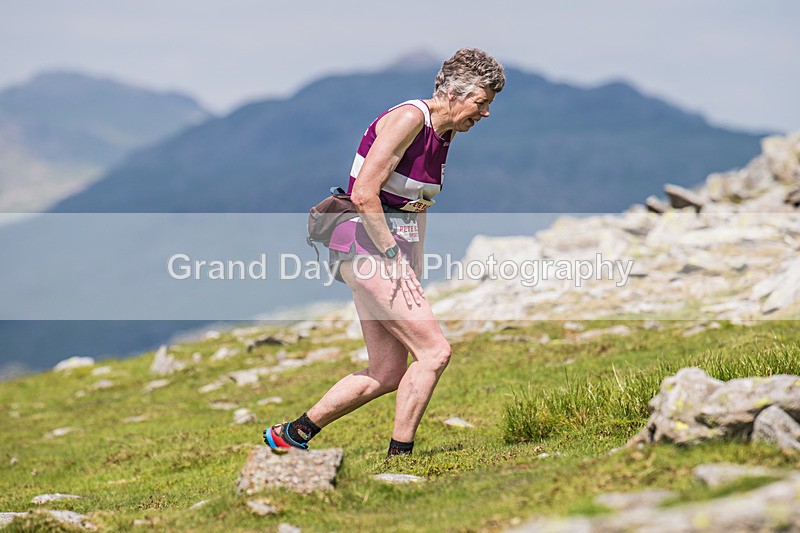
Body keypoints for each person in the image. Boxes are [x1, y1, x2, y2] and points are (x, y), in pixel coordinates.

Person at [264, 48, 505, 457]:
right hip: (362, 243)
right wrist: (394, 256)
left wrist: (414, 263)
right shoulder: (411, 118)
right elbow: (364, 193)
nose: (484, 114)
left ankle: (292, 434)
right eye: (480, 103)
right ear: (452, 93)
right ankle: (400, 457)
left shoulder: (444, 133)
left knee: (387, 371)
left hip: (383, 250)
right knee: (434, 352)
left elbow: (416, 206)